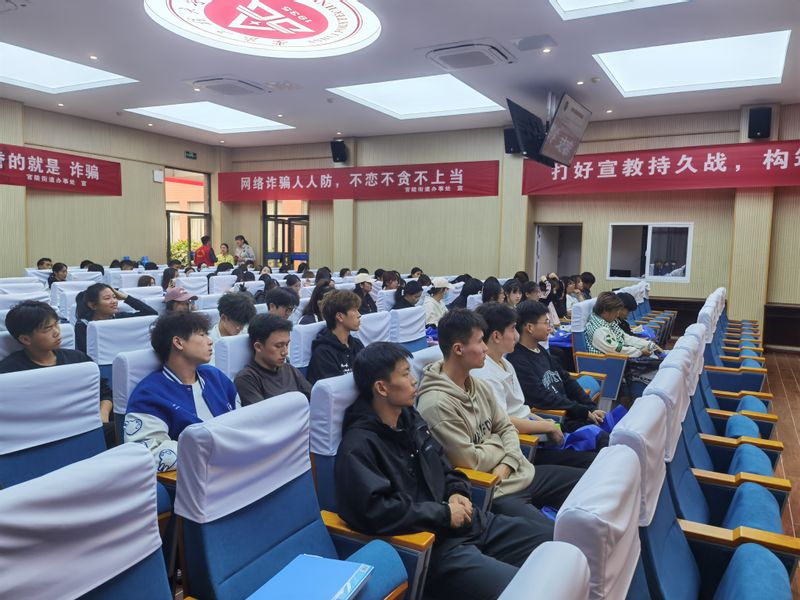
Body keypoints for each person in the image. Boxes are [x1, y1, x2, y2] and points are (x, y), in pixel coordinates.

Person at [335, 342, 551, 600]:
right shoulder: (358, 446)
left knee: (553, 542)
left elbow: (445, 466)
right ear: (381, 388)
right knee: (531, 590)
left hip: (466, 521)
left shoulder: (411, 420)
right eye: (405, 374)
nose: (414, 380)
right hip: (434, 545)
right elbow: (376, 511)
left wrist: (458, 491)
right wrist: (444, 514)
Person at [417, 309, 584, 524]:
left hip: (518, 471)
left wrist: (507, 463)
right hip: (494, 490)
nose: (486, 348)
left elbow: (507, 427)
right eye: (480, 341)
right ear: (458, 349)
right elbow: (472, 461)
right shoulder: (436, 405)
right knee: (552, 536)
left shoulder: (478, 385)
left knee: (590, 482)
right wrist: (501, 443)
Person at [473, 303, 596, 468]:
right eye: (513, 329)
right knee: (592, 461)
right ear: (496, 336)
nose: (517, 335)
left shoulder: (505, 363)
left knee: (597, 444)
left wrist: (549, 424)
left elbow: (522, 408)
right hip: (524, 444)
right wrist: (547, 426)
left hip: (536, 430)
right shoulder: (487, 374)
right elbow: (501, 421)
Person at [124, 311, 239, 472]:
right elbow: (148, 452)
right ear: (178, 343)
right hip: (196, 476)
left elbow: (240, 419)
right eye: (202, 335)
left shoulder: (214, 377)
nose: (210, 341)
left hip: (235, 463)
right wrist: (216, 448)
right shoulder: (149, 394)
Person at [0, 301, 115, 447]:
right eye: (48, 328)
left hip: (84, 428)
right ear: (25, 339)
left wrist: (102, 415)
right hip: (38, 440)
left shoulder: (77, 359)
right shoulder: (9, 372)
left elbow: (104, 392)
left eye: (56, 324)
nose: (57, 332)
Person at [507, 301, 607, 433]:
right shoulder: (517, 361)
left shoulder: (540, 350)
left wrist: (591, 408)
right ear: (530, 327)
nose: (550, 328)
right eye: (546, 323)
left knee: (607, 424)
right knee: (601, 436)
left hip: (569, 411)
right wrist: (583, 412)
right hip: (557, 420)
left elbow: (566, 380)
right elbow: (542, 397)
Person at [586, 292, 662, 398]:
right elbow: (616, 349)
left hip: (615, 360)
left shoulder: (606, 321)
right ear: (605, 311)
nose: (617, 315)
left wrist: (650, 345)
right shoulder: (599, 330)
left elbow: (625, 338)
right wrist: (639, 352)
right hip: (605, 364)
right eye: (615, 311)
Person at [234, 314, 312, 405]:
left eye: (287, 345)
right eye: (279, 346)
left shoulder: (289, 369)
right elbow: (263, 413)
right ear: (258, 347)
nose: (285, 352)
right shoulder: (247, 379)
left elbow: (315, 398)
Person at [74, 284, 158, 353]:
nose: (114, 301)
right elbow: (87, 353)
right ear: (93, 305)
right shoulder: (83, 325)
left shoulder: (120, 317)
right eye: (107, 298)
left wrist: (126, 297)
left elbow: (152, 314)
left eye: (114, 297)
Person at [306, 290, 364, 384]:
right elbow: (336, 389)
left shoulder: (357, 344)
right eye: (354, 310)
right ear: (340, 317)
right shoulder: (323, 353)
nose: (359, 315)